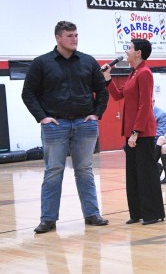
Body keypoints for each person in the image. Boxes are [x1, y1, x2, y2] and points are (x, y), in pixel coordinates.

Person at [21, 20, 110, 233]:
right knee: (53, 171)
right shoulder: (41, 63)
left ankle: (92, 214)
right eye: (70, 36)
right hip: (55, 124)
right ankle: (48, 219)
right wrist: (42, 117)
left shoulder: (88, 61)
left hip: (85, 124)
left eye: (76, 35)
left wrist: (96, 114)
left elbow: (102, 91)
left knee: (85, 170)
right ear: (58, 37)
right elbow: (28, 93)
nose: (74, 39)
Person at [104, 39, 165, 225]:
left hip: (142, 132)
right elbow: (118, 95)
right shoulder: (133, 72)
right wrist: (107, 78)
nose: (126, 51)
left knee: (146, 173)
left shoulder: (145, 73)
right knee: (133, 173)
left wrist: (136, 132)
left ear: (138, 53)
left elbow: (145, 105)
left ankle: (152, 213)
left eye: (129, 48)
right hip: (131, 131)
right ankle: (137, 212)